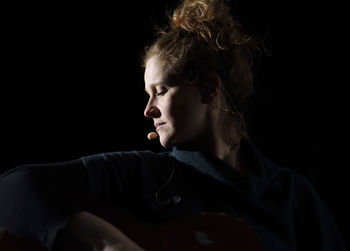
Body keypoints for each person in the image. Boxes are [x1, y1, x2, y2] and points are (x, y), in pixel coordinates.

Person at [0, 0, 347, 250]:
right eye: (147, 94)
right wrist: (108, 242)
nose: (148, 109)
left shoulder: (292, 196)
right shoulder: (145, 174)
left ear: (209, 89)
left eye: (161, 91)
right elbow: (12, 188)